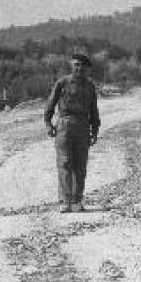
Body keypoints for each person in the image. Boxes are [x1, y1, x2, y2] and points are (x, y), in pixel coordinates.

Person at [44, 52, 100, 213]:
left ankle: (77, 201)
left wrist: (95, 130)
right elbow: (51, 103)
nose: (79, 68)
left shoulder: (90, 86)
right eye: (76, 65)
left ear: (87, 68)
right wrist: (48, 123)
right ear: (71, 65)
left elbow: (93, 110)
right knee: (65, 162)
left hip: (83, 126)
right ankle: (65, 201)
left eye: (82, 65)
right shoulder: (62, 83)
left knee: (80, 166)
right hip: (64, 125)